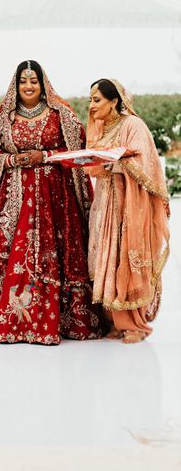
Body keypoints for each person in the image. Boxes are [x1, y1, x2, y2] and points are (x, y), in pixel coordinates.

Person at [0, 60, 106, 344]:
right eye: (24, 81)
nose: (29, 86)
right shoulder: (4, 118)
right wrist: (13, 159)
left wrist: (44, 157)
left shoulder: (62, 115)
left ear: (42, 83)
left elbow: (76, 149)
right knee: (6, 252)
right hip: (12, 198)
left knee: (53, 253)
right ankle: (6, 321)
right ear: (16, 84)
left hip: (55, 199)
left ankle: (61, 321)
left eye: (34, 81)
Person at [86, 79, 170, 343]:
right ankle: (114, 321)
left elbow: (145, 161)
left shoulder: (133, 125)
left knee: (125, 256)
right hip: (105, 202)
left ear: (114, 101)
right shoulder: (101, 128)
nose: (91, 106)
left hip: (128, 204)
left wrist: (117, 164)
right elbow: (94, 165)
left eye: (97, 99)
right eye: (90, 99)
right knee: (105, 256)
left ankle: (135, 325)